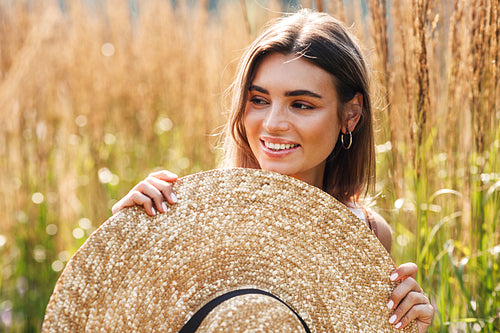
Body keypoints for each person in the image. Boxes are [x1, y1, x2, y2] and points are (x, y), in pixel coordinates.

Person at [111, 9, 434, 331]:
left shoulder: (366, 232)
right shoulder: (190, 216)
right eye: (259, 100)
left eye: (301, 104)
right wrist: (125, 242)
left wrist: (407, 329)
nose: (272, 124)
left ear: (350, 115)